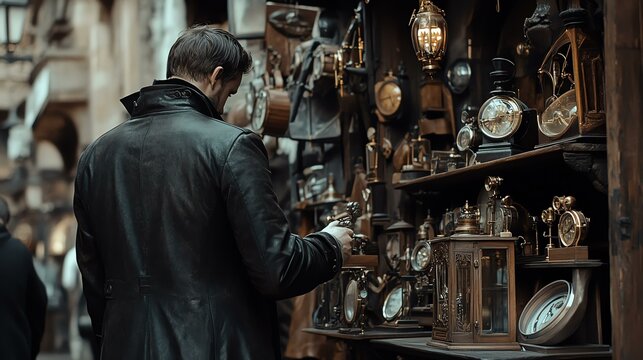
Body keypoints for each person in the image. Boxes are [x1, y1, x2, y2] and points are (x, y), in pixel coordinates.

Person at [74, 26, 353, 359]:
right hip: (214, 347)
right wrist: (330, 245)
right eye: (230, 92)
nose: (224, 105)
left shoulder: (95, 156)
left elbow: (93, 277)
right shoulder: (232, 146)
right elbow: (275, 268)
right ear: (215, 76)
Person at [0, 196, 48, 359]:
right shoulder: (19, 253)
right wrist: (30, 348)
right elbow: (39, 302)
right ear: (6, 219)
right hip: (14, 351)